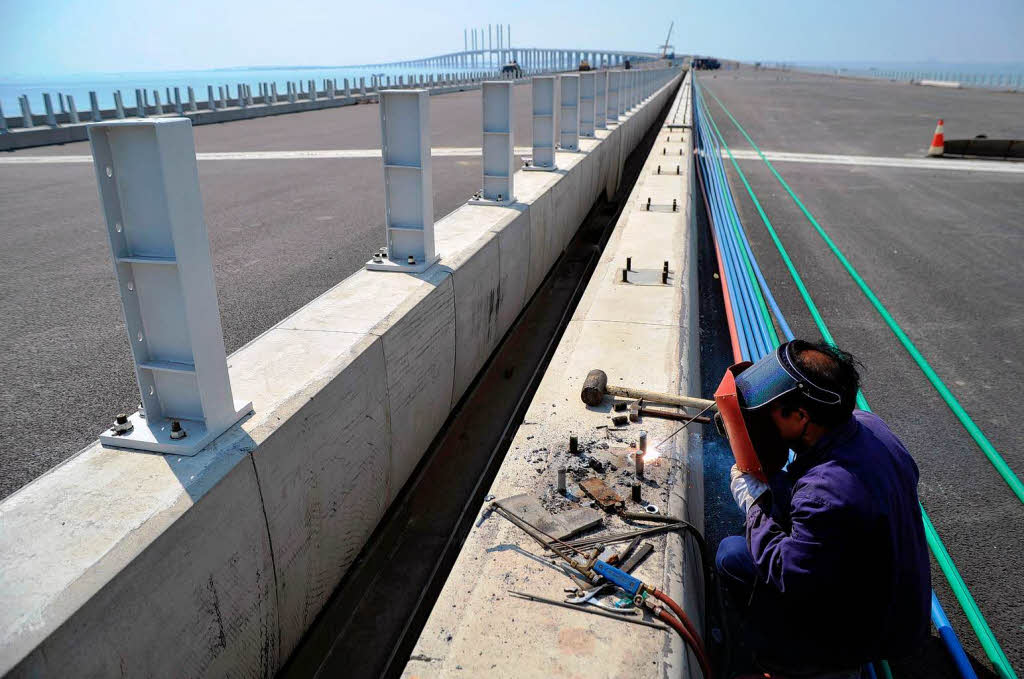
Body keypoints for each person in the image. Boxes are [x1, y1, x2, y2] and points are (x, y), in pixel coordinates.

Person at [715, 340, 931, 675]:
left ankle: (791, 663)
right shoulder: (869, 424)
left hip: (873, 630)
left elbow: (787, 572)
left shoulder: (825, 494)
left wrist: (755, 504)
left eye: (769, 409)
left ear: (801, 416)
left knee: (733, 555)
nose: (760, 415)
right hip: (897, 595)